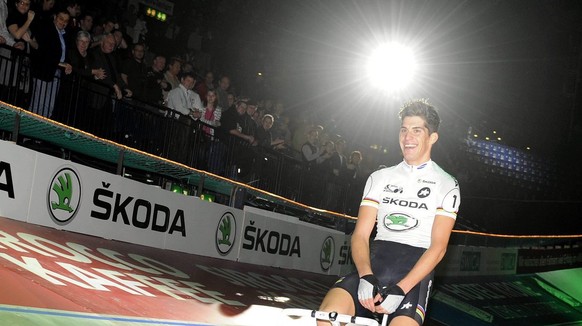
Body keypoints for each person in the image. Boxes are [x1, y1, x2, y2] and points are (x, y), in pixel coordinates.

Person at [317, 99, 461, 326]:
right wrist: (365, 275)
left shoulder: (446, 183)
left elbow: (439, 248)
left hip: (413, 277)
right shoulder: (380, 177)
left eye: (416, 130)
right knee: (327, 319)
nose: (407, 137)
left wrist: (402, 289)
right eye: (403, 130)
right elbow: (361, 235)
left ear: (432, 137)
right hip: (373, 267)